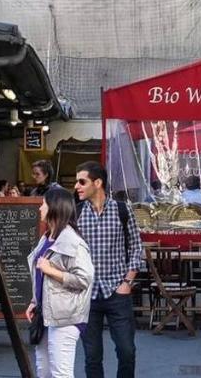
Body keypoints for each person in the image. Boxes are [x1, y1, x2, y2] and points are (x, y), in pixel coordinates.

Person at [74, 161, 143, 378]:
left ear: (98, 183)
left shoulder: (122, 210)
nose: (77, 186)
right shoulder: (75, 213)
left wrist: (127, 282)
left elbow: (136, 246)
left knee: (127, 351)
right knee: (92, 356)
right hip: (88, 295)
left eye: (81, 181)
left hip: (117, 292)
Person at [26, 187, 95, 378]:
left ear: (55, 208)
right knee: (45, 372)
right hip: (46, 315)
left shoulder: (73, 241)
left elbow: (85, 278)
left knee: (60, 373)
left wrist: (51, 270)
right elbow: (41, 276)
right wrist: (35, 301)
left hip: (65, 318)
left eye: (44, 204)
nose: (40, 208)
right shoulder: (48, 237)